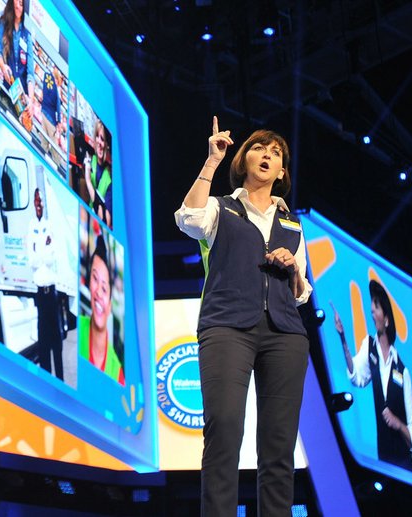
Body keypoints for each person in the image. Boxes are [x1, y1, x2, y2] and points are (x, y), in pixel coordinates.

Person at [174, 116, 312, 516]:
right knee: (225, 429)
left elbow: (303, 294)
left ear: (282, 171)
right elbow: (188, 219)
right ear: (243, 158)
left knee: (278, 446)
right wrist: (211, 162)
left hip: (285, 334)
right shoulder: (221, 207)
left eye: (275, 153)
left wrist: (294, 270)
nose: (266, 155)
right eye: (258, 148)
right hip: (227, 327)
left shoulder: (292, 222)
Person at [332, 280, 412, 472]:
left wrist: (398, 424)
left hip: (405, 466)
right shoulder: (369, 346)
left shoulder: (403, 371)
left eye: (376, 310)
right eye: (371, 310)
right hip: (384, 462)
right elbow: (357, 376)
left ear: (386, 319)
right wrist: (342, 338)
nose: (372, 314)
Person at [22, 188, 64, 380]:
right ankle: (47, 380)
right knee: (44, 341)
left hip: (52, 291)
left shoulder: (50, 225)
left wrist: (40, 250)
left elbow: (50, 258)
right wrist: (42, 249)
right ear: (33, 203)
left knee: (57, 340)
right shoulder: (30, 227)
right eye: (36, 201)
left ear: (44, 205)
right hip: (40, 292)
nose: (39, 205)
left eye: (41, 202)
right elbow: (33, 261)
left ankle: (60, 379)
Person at [78, 234, 124, 385]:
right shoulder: (74, 330)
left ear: (110, 303)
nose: (98, 291)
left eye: (104, 289)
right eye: (95, 279)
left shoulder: (118, 372)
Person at [0, 0, 34, 117]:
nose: (18, 7)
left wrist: (31, 100)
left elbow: (30, 73)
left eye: (22, 5)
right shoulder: (4, 22)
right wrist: (3, 67)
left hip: (21, 101)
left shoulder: (27, 32)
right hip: (6, 89)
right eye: (17, 2)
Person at [84, 120, 112, 227]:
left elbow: (106, 222)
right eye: (97, 137)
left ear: (107, 145)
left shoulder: (110, 179)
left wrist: (87, 180)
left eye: (103, 139)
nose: (99, 143)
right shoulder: (90, 160)